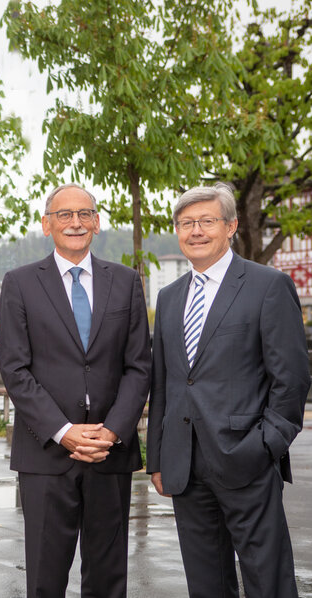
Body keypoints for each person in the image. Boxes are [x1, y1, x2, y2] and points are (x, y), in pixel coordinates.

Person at [147, 184, 310, 598]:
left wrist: (264, 446)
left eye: (207, 221)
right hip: (185, 467)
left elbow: (291, 380)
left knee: (267, 581)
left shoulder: (267, 285)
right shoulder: (168, 298)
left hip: (247, 461)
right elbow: (164, 383)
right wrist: (159, 459)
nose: (195, 231)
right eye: (186, 223)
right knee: (206, 585)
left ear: (231, 226)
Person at [0, 183, 151, 597]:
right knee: (45, 579)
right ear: (46, 225)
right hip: (46, 454)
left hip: (109, 451)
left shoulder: (125, 282)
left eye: (84, 214)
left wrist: (113, 431)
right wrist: (64, 431)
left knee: (107, 579)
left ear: (97, 222)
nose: (75, 222)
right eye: (64, 215)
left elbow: (139, 366)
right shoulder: (20, 283)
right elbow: (14, 368)